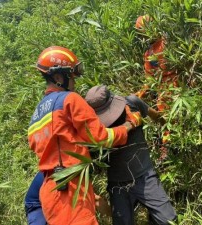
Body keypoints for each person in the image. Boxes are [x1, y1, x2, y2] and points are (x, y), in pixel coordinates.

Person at [27, 46, 142, 225]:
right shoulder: (69, 99)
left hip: (51, 189)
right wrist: (128, 125)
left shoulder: (36, 115)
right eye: (71, 77)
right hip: (69, 189)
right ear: (58, 77)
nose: (74, 82)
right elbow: (101, 137)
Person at [85, 85, 177, 225]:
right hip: (118, 185)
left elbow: (158, 118)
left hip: (145, 177)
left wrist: (166, 139)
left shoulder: (133, 103)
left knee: (169, 220)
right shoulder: (91, 127)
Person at [135, 15, 179, 159]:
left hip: (176, 83)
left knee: (169, 120)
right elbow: (150, 79)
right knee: (167, 119)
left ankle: (168, 149)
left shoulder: (169, 42)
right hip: (165, 88)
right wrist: (139, 95)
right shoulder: (150, 52)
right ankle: (168, 149)